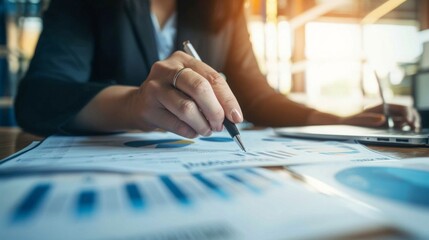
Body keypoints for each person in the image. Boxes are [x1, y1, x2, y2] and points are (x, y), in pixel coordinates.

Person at [14, 0, 420, 137]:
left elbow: (257, 97)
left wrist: (338, 122)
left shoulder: (224, 8)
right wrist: (135, 105)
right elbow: (39, 96)